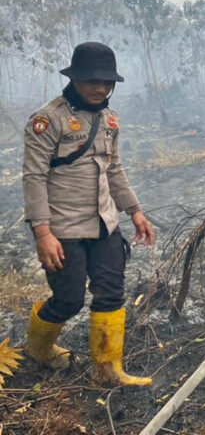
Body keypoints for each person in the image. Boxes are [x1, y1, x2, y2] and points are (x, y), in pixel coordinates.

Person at [22, 42, 155, 387]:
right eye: (92, 81)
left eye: (107, 82)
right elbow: (34, 177)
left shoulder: (109, 119)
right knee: (68, 300)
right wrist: (42, 233)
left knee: (111, 293)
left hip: (104, 223)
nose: (100, 88)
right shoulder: (47, 119)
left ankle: (108, 370)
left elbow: (114, 170)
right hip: (62, 228)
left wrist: (135, 211)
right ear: (75, 78)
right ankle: (38, 349)